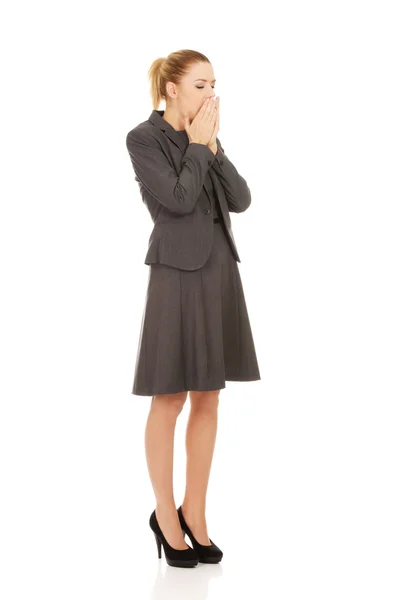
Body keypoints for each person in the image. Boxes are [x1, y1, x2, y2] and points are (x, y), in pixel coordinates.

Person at [125, 49, 261, 568]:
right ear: (173, 89)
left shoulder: (207, 138)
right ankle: (164, 514)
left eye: (214, 84)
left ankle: (195, 514)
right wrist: (200, 147)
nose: (212, 94)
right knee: (170, 398)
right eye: (201, 85)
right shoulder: (143, 138)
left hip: (219, 270)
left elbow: (242, 200)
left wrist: (213, 147)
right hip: (176, 276)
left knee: (209, 397)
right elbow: (178, 201)